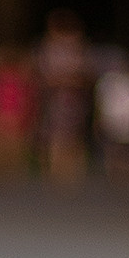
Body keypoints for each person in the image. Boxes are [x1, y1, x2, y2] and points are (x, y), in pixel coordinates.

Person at [36, 12, 95, 187]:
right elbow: (43, 75)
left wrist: (72, 79)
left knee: (74, 134)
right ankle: (56, 172)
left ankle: (73, 172)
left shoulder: (79, 49)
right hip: (54, 99)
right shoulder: (48, 48)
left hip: (74, 99)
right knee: (55, 134)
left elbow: (87, 74)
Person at [0, 47, 39, 180]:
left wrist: (24, 116)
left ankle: (16, 170)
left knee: (16, 143)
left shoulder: (22, 79)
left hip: (17, 115)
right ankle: (0, 171)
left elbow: (27, 99)